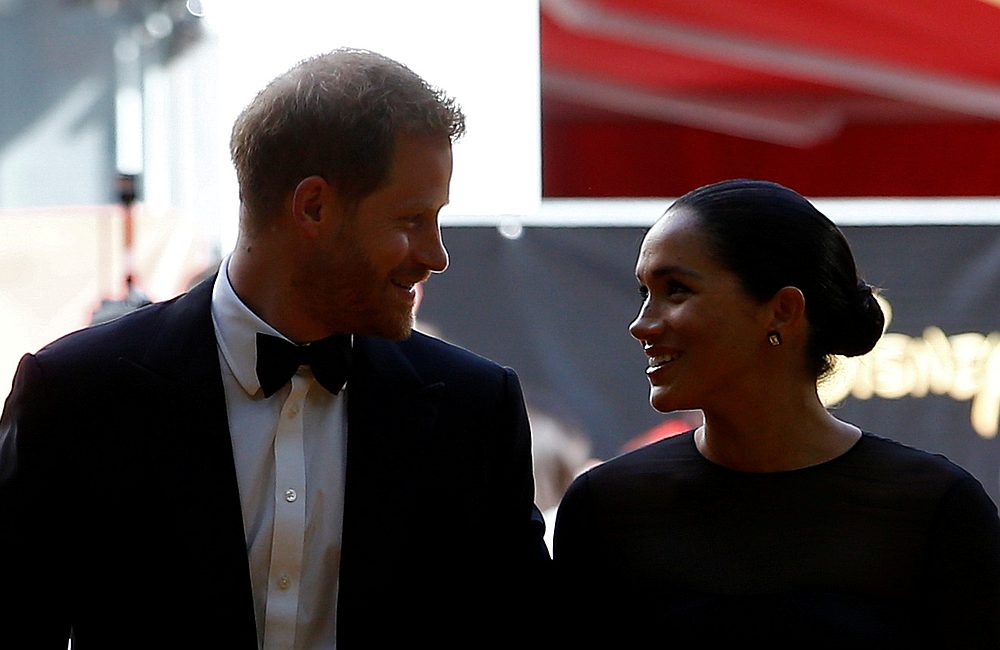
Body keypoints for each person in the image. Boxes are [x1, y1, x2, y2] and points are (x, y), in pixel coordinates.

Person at [0, 48, 549, 649]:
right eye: (413, 219)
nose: (436, 255)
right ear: (313, 207)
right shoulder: (78, 393)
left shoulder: (473, 410)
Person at [553, 179, 1000, 648]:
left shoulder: (935, 509)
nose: (641, 324)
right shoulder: (606, 507)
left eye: (677, 290)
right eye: (645, 292)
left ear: (782, 310)